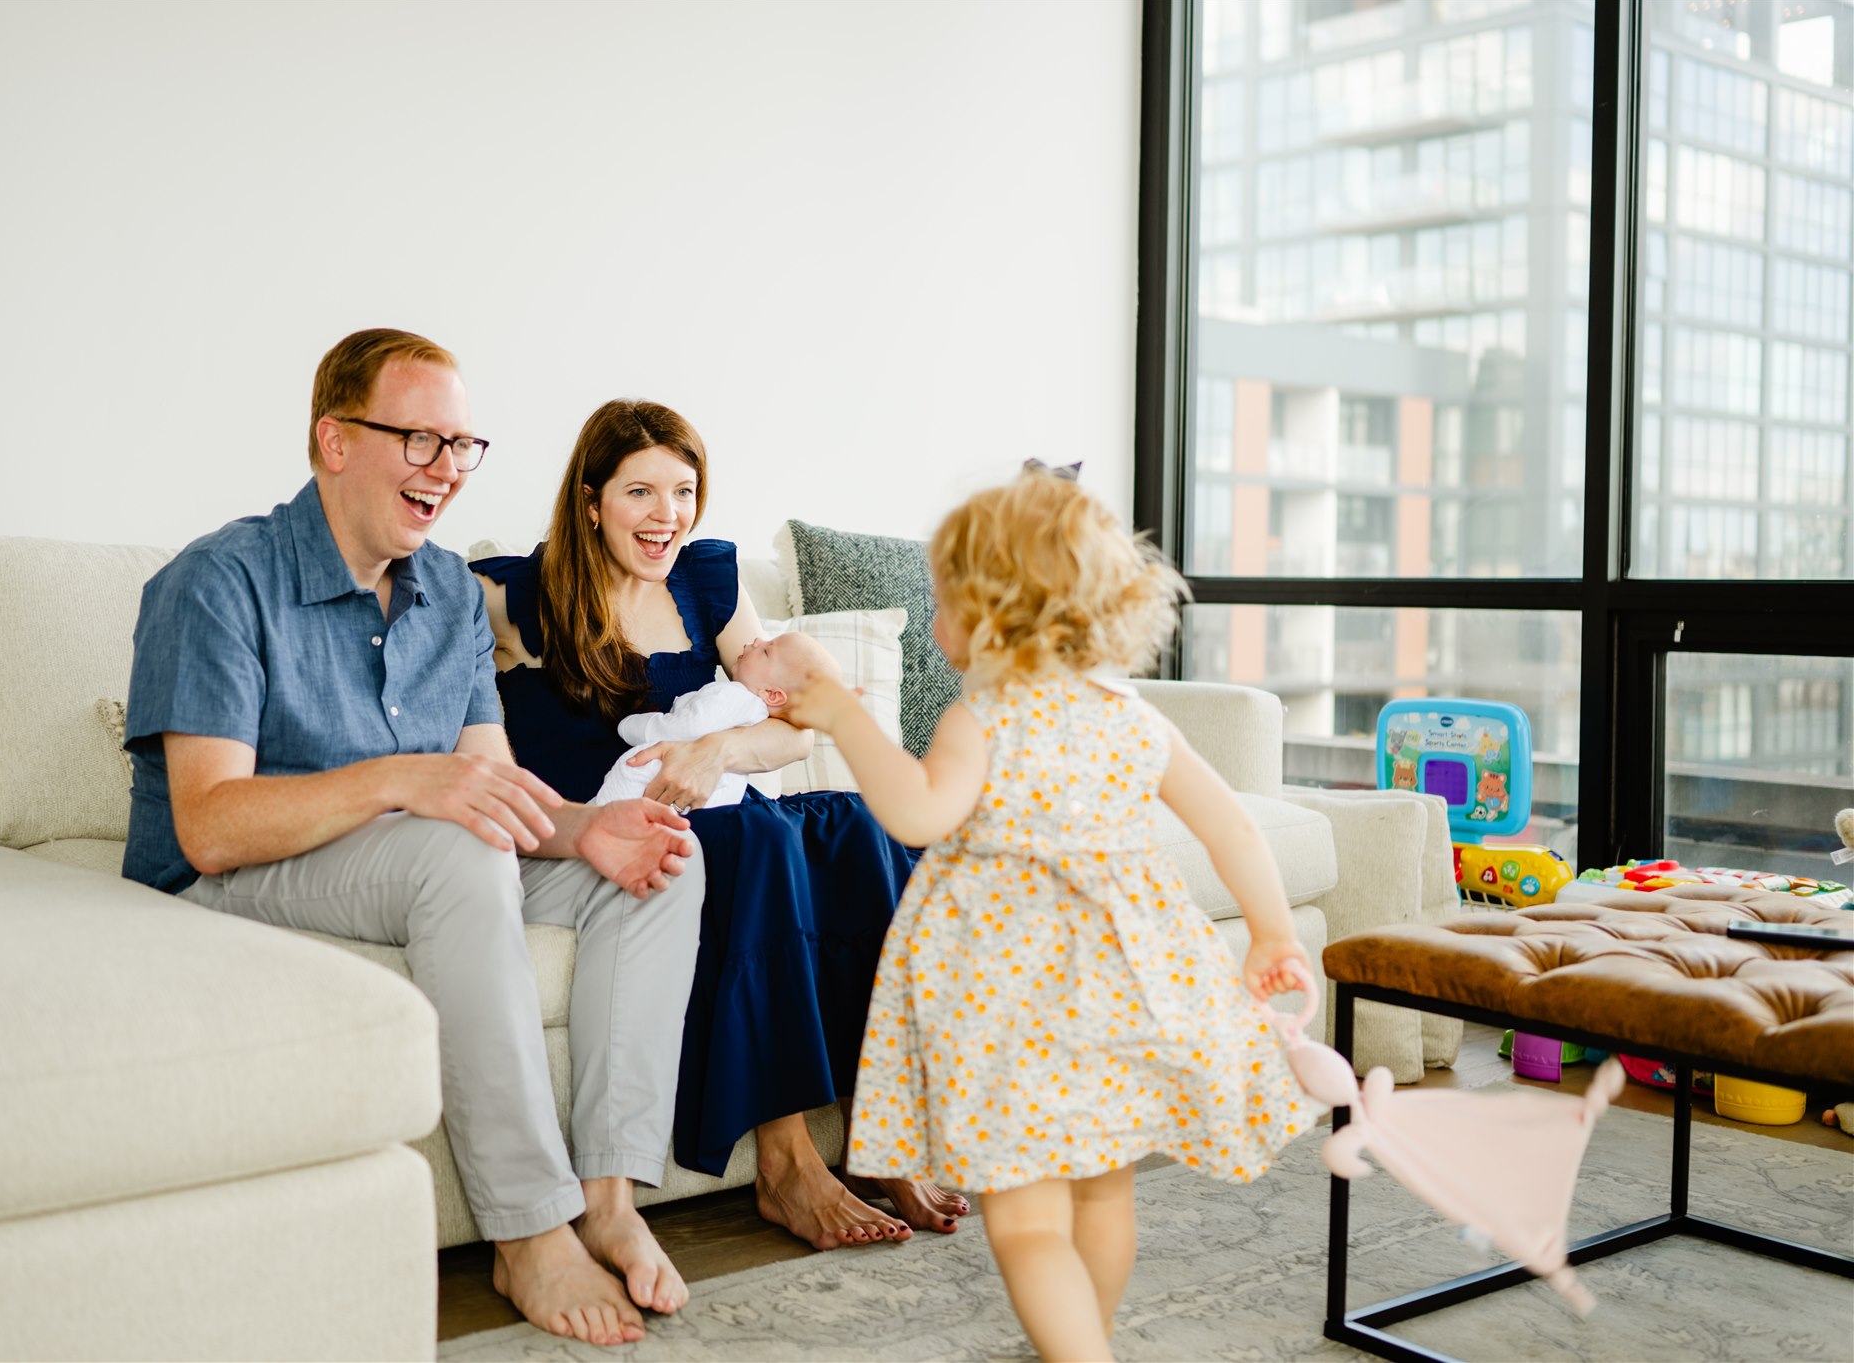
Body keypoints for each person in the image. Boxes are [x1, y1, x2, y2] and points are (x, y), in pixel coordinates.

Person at [122, 330, 703, 1348]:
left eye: (462, 445)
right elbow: (207, 825)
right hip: (248, 871)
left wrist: (586, 831)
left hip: (422, 864)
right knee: (453, 849)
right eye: (419, 440)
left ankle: (608, 1197)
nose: (445, 471)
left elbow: (492, 792)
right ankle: (527, 1226)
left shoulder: (448, 597)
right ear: (335, 440)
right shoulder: (218, 580)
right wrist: (401, 780)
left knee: (656, 861)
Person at [778, 464, 1317, 1361]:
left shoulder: (980, 719)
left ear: (991, 611)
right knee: (1105, 1197)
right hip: (1123, 995)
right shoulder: (1132, 714)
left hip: (1014, 1005)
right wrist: (1273, 930)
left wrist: (842, 714)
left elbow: (914, 812)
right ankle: (1086, 1339)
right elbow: (1228, 823)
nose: (936, 618)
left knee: (1027, 1223)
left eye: (942, 599)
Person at [474, 398, 972, 1250]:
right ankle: (784, 1163)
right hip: (607, 825)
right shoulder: (512, 596)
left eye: (683, 490)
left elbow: (798, 709)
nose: (666, 515)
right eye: (639, 492)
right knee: (763, 840)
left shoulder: (708, 577)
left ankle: (880, 1127)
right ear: (590, 500)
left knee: (859, 824)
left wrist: (719, 750)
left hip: (715, 799)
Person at [592, 632, 815, 807]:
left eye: (766, 651)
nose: (757, 640)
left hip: (667, 777)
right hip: (711, 802)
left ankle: (596, 823)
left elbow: (683, 729)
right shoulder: (757, 715)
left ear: (773, 695)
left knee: (630, 768)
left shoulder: (733, 695)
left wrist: (629, 725)